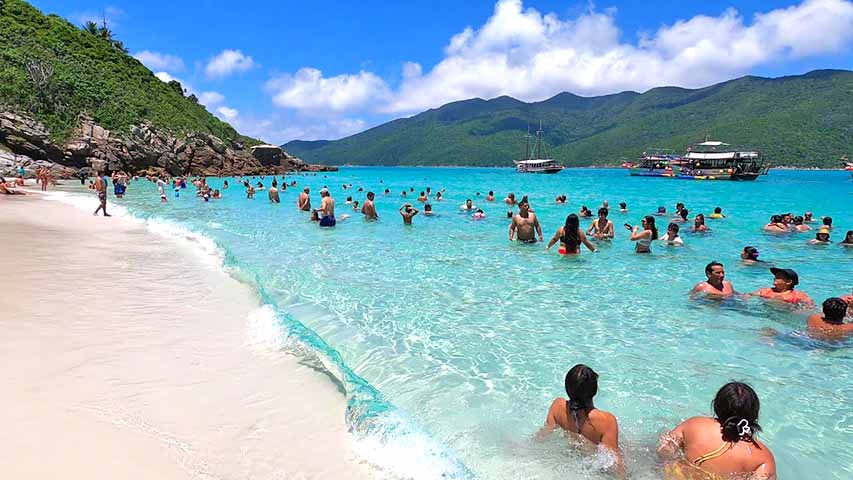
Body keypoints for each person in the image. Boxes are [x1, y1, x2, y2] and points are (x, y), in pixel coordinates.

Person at [658, 382, 775, 479]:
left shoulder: (693, 425)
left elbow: (664, 451)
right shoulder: (763, 457)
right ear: (754, 414)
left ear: (716, 406)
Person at [540, 365, 621, 463]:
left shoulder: (557, 406)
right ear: (594, 390)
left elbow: (542, 435)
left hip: (566, 459)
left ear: (567, 388)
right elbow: (614, 462)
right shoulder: (607, 421)